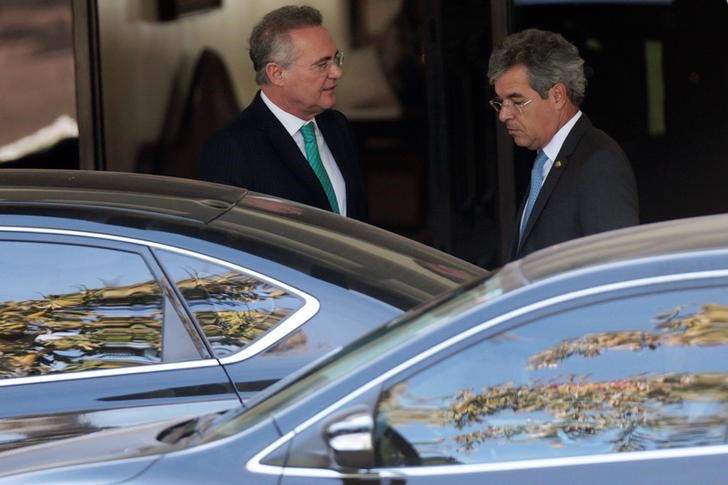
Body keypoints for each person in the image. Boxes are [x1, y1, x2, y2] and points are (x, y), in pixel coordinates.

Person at [200, 5, 367, 220]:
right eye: (322, 64)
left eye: (336, 59)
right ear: (277, 74)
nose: (337, 72)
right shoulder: (232, 148)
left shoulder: (336, 125)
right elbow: (230, 242)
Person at [488, 28, 638, 260]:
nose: (504, 115)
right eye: (501, 102)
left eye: (516, 101)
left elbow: (616, 272)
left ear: (558, 96)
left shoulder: (598, 163)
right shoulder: (546, 160)